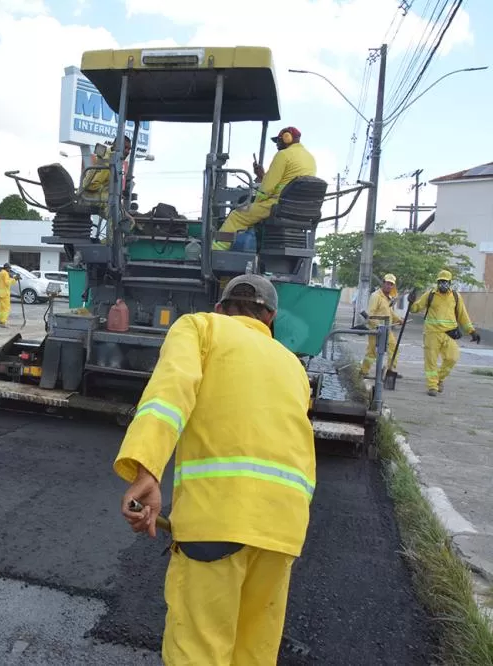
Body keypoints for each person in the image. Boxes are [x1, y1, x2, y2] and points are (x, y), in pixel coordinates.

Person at [116, 274, 315, 665]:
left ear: (220, 307)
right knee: (254, 652)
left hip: (216, 521)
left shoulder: (201, 326)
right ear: (270, 318)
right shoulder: (292, 365)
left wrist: (146, 470)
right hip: (283, 529)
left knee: (199, 651)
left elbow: (169, 394)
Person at [213, 127, 317, 251]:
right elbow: (287, 182)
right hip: (299, 208)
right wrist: (262, 176)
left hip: (277, 205)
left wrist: (254, 204)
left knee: (237, 215)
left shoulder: (283, 155)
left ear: (287, 138)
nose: (277, 145)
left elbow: (266, 189)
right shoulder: (310, 158)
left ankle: (216, 252)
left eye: (278, 141)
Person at [409, 269, 481, 397]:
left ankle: (439, 380)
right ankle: (432, 386)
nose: (443, 284)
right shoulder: (430, 295)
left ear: (450, 282)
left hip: (449, 333)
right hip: (432, 333)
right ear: (437, 282)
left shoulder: (455, 296)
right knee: (431, 361)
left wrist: (472, 331)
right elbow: (416, 308)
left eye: (445, 282)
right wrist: (411, 302)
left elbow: (462, 315)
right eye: (440, 281)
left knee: (452, 357)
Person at [360, 273, 403, 377]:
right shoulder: (376, 296)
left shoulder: (388, 297)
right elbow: (370, 314)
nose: (389, 286)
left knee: (394, 349)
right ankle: (363, 371)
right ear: (383, 283)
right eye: (387, 283)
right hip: (376, 330)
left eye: (391, 284)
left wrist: (399, 319)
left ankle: (390, 371)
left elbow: (389, 312)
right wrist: (377, 325)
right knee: (372, 353)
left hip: (387, 330)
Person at [0, 263, 18, 328]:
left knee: (1, 309)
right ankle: (3, 322)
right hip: (5, 294)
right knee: (6, 309)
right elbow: (7, 282)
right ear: (7, 268)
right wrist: (15, 279)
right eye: (9, 268)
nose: (9, 270)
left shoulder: (0, 273)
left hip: (0, 293)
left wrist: (13, 279)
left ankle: (1, 321)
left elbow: (5, 281)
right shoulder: (5, 273)